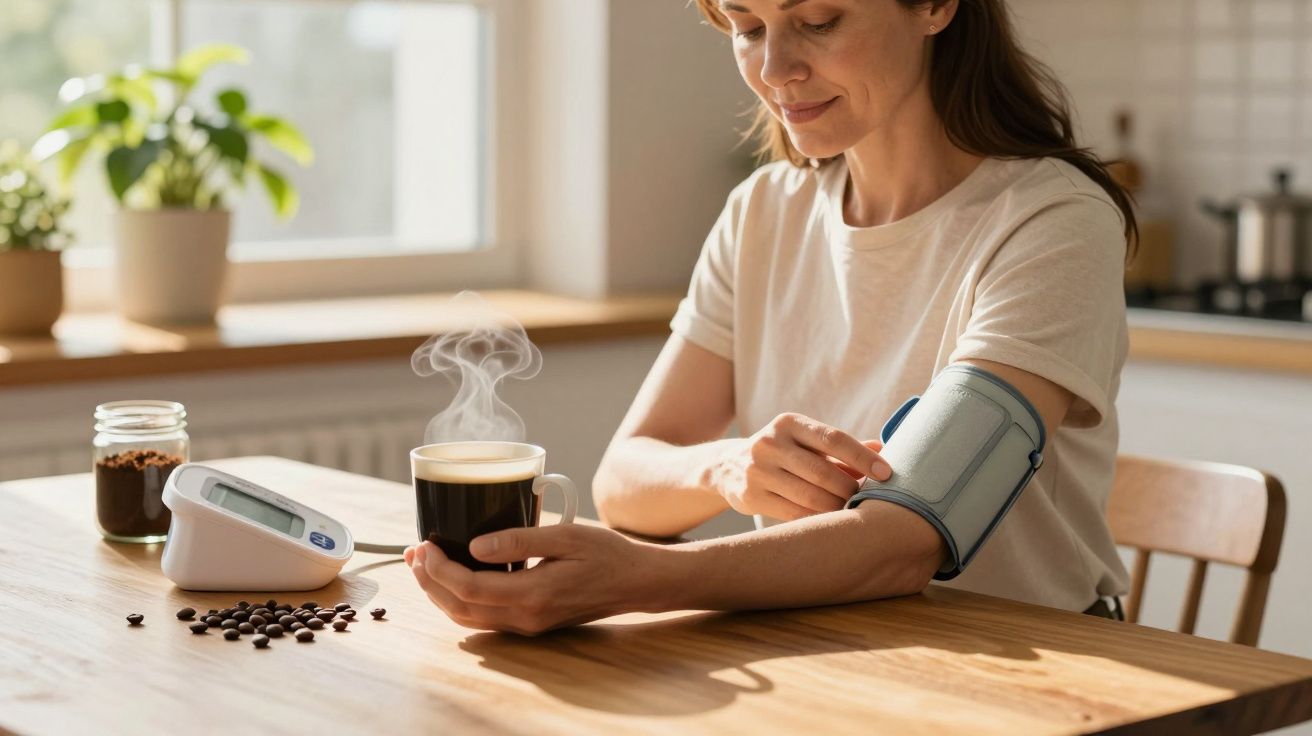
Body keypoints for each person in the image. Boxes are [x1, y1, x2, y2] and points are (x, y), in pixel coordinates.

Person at [404, 0, 1136, 635]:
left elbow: (907, 537)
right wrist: (726, 466)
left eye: (818, 21)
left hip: (1035, 672)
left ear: (936, 6)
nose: (775, 68)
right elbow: (623, 480)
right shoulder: (764, 212)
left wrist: (643, 579)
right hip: (828, 652)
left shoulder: (1053, 221)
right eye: (747, 26)